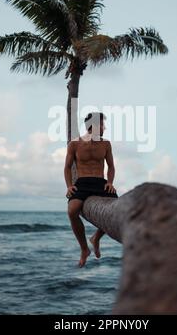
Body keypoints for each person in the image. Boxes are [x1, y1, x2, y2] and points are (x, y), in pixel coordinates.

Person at [64, 112, 118, 268]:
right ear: (93, 126)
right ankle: (84, 249)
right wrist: (69, 185)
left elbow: (111, 166)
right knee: (72, 210)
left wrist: (110, 182)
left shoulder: (105, 144)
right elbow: (67, 167)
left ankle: (96, 238)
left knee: (115, 211)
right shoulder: (74, 144)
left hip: (100, 183)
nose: (104, 128)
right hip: (82, 182)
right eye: (102, 125)